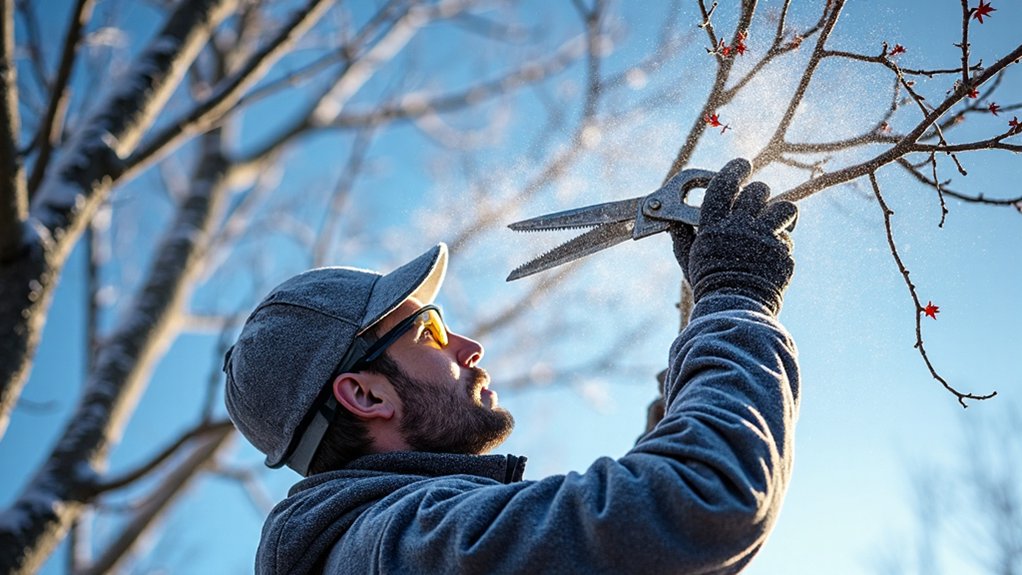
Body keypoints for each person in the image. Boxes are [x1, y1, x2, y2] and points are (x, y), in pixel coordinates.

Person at [223, 158, 800, 575]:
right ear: (367, 396)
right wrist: (734, 298)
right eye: (429, 331)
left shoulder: (384, 550)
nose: (468, 346)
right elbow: (699, 503)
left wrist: (672, 420)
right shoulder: (398, 545)